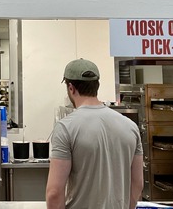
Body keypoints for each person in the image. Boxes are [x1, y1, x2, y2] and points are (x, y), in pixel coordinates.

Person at [46, 59, 143, 209]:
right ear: (97, 85)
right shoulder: (130, 127)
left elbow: (54, 192)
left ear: (71, 88)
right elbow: (137, 183)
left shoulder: (66, 127)